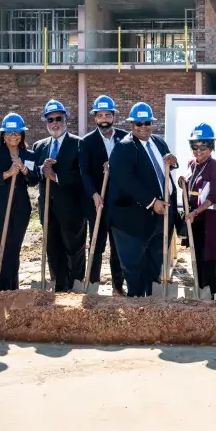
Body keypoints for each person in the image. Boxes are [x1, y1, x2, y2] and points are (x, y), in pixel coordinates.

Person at [107, 102, 179, 296]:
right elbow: (125, 180)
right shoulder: (124, 148)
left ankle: (151, 306)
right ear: (131, 125)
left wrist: (174, 162)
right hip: (132, 221)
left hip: (160, 218)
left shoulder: (159, 142)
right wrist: (151, 202)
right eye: (138, 124)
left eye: (147, 122)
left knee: (155, 264)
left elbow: (165, 170)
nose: (143, 127)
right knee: (135, 267)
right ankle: (136, 305)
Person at [32, 99, 86, 292]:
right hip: (48, 208)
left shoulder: (79, 144)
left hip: (72, 209)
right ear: (46, 122)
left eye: (58, 118)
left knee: (74, 248)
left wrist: (56, 177)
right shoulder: (39, 146)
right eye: (50, 120)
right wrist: (40, 170)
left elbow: (82, 176)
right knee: (53, 249)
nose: (54, 123)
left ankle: (77, 286)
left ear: (65, 120)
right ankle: (59, 286)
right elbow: (32, 175)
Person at [78, 94, 127, 295]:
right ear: (95, 118)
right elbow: (84, 172)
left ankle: (117, 287)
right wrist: (94, 194)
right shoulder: (86, 142)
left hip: (119, 203)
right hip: (97, 203)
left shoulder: (124, 137)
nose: (104, 119)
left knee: (118, 247)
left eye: (108, 115)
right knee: (97, 246)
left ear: (114, 116)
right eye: (100, 115)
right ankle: (93, 285)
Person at [0, 113, 39, 291]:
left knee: (14, 248)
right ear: (3, 136)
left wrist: (24, 170)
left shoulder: (28, 155)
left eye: (17, 133)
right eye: (9, 133)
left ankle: (13, 288)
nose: (13, 136)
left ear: (22, 135)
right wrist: (7, 174)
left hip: (20, 209)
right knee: (0, 246)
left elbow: (34, 179)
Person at [180, 123, 216, 297]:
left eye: (203, 146)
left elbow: (212, 197)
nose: (198, 150)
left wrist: (195, 212)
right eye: (195, 146)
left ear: (211, 146)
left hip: (210, 221)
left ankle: (209, 295)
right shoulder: (191, 164)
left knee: (207, 259)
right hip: (194, 221)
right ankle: (199, 292)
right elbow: (189, 184)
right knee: (196, 255)